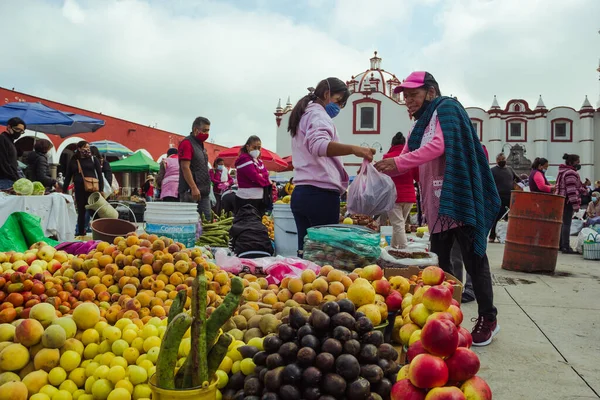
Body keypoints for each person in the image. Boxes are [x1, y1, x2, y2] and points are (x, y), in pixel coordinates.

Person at [374, 71, 500, 346]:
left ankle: (488, 318)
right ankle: (444, 318)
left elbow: (438, 146)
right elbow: (405, 156)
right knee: (439, 267)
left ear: (430, 92)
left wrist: (398, 164)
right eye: (405, 97)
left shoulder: (447, 108)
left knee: (473, 260)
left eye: (413, 95)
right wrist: (378, 171)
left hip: (459, 198)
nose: (408, 101)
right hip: (437, 204)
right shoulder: (418, 126)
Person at [288, 77, 375, 256]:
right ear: (327, 94)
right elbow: (319, 146)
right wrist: (354, 149)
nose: (339, 108)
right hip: (320, 194)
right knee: (323, 255)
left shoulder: (305, 113)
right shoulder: (318, 115)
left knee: (306, 252)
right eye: (338, 101)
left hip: (302, 193)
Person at [382, 132, 418, 249]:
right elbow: (417, 177)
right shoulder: (410, 157)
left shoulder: (387, 158)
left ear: (392, 144)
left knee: (398, 225)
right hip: (409, 196)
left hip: (393, 197)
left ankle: (404, 251)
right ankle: (393, 248)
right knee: (399, 225)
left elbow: (382, 177)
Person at [62, 141, 104, 236]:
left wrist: (101, 189)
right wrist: (64, 190)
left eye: (88, 148)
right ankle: (81, 233)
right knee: (81, 211)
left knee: (95, 212)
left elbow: (100, 175)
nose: (87, 150)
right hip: (79, 189)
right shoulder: (74, 161)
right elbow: (68, 176)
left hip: (92, 190)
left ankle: (99, 232)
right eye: (85, 148)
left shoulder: (93, 159)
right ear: (79, 149)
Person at [178, 117, 212, 221]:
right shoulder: (187, 143)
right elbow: (185, 167)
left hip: (204, 191)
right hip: (191, 192)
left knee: (206, 221)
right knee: (189, 222)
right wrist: (193, 187)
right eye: (205, 130)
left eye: (208, 130)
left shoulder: (200, 145)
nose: (207, 134)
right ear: (196, 130)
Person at [556, 153, 588, 254]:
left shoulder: (563, 171)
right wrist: (575, 204)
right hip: (568, 201)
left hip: (562, 199)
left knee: (563, 224)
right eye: (577, 162)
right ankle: (565, 246)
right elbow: (571, 190)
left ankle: (561, 245)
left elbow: (575, 186)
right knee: (566, 224)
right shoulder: (571, 173)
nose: (579, 164)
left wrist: (584, 188)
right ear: (571, 162)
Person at [234, 136, 271, 216]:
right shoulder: (244, 159)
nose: (257, 150)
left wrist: (262, 175)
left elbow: (266, 174)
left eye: (259, 148)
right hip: (247, 199)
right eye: (254, 147)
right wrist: (265, 180)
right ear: (248, 147)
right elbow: (254, 176)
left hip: (259, 198)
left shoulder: (259, 161)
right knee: (247, 224)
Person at [489, 153, 520, 243]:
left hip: (510, 197)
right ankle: (492, 235)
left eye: (503, 159)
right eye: (500, 159)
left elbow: (518, 179)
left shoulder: (510, 169)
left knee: (512, 217)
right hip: (498, 197)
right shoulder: (493, 171)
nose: (502, 160)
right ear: (497, 161)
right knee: (497, 217)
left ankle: (510, 236)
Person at [0, 117, 26, 190]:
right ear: (9, 127)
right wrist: (14, 177)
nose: (19, 132)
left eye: (21, 131)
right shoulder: (2, 139)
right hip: (4, 180)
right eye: (17, 129)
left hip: (10, 179)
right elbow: (3, 161)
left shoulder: (10, 141)